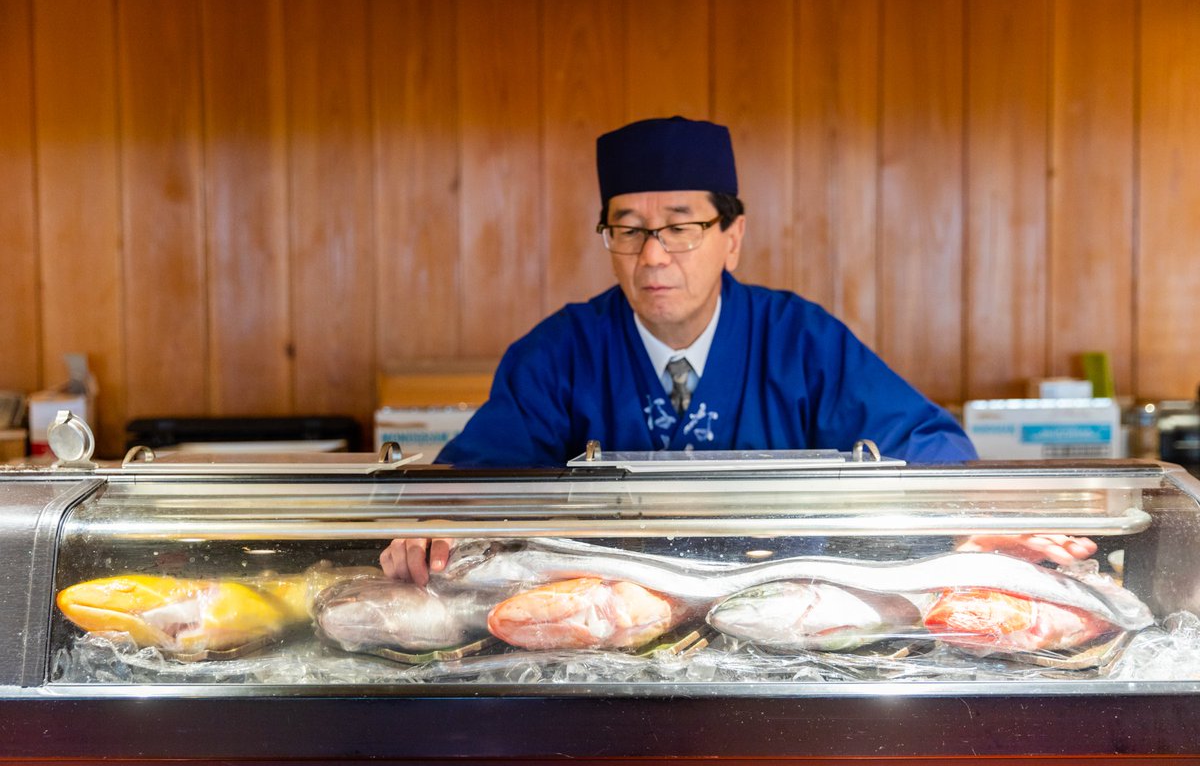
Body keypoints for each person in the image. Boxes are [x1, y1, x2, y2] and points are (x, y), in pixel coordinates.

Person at [380, 116, 1088, 583]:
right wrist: (433, 528)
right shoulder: (559, 352)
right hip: (601, 620)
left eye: (682, 227)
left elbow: (931, 444)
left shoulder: (800, 341)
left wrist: (978, 524)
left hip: (785, 609)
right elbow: (473, 480)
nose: (654, 254)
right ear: (607, 239)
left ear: (732, 236)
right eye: (628, 229)